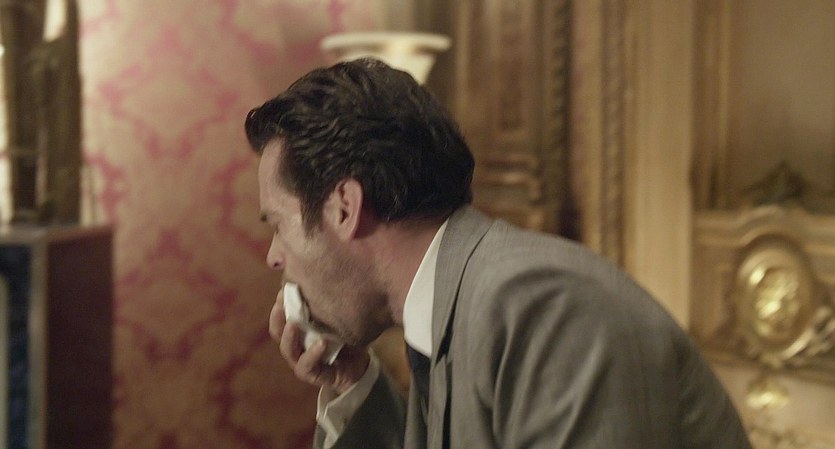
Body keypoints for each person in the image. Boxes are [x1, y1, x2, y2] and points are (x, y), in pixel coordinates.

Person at [245, 58, 752, 449]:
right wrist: (351, 382)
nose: (274, 257)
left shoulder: (547, 310)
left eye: (279, 226)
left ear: (344, 208)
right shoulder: (451, 311)